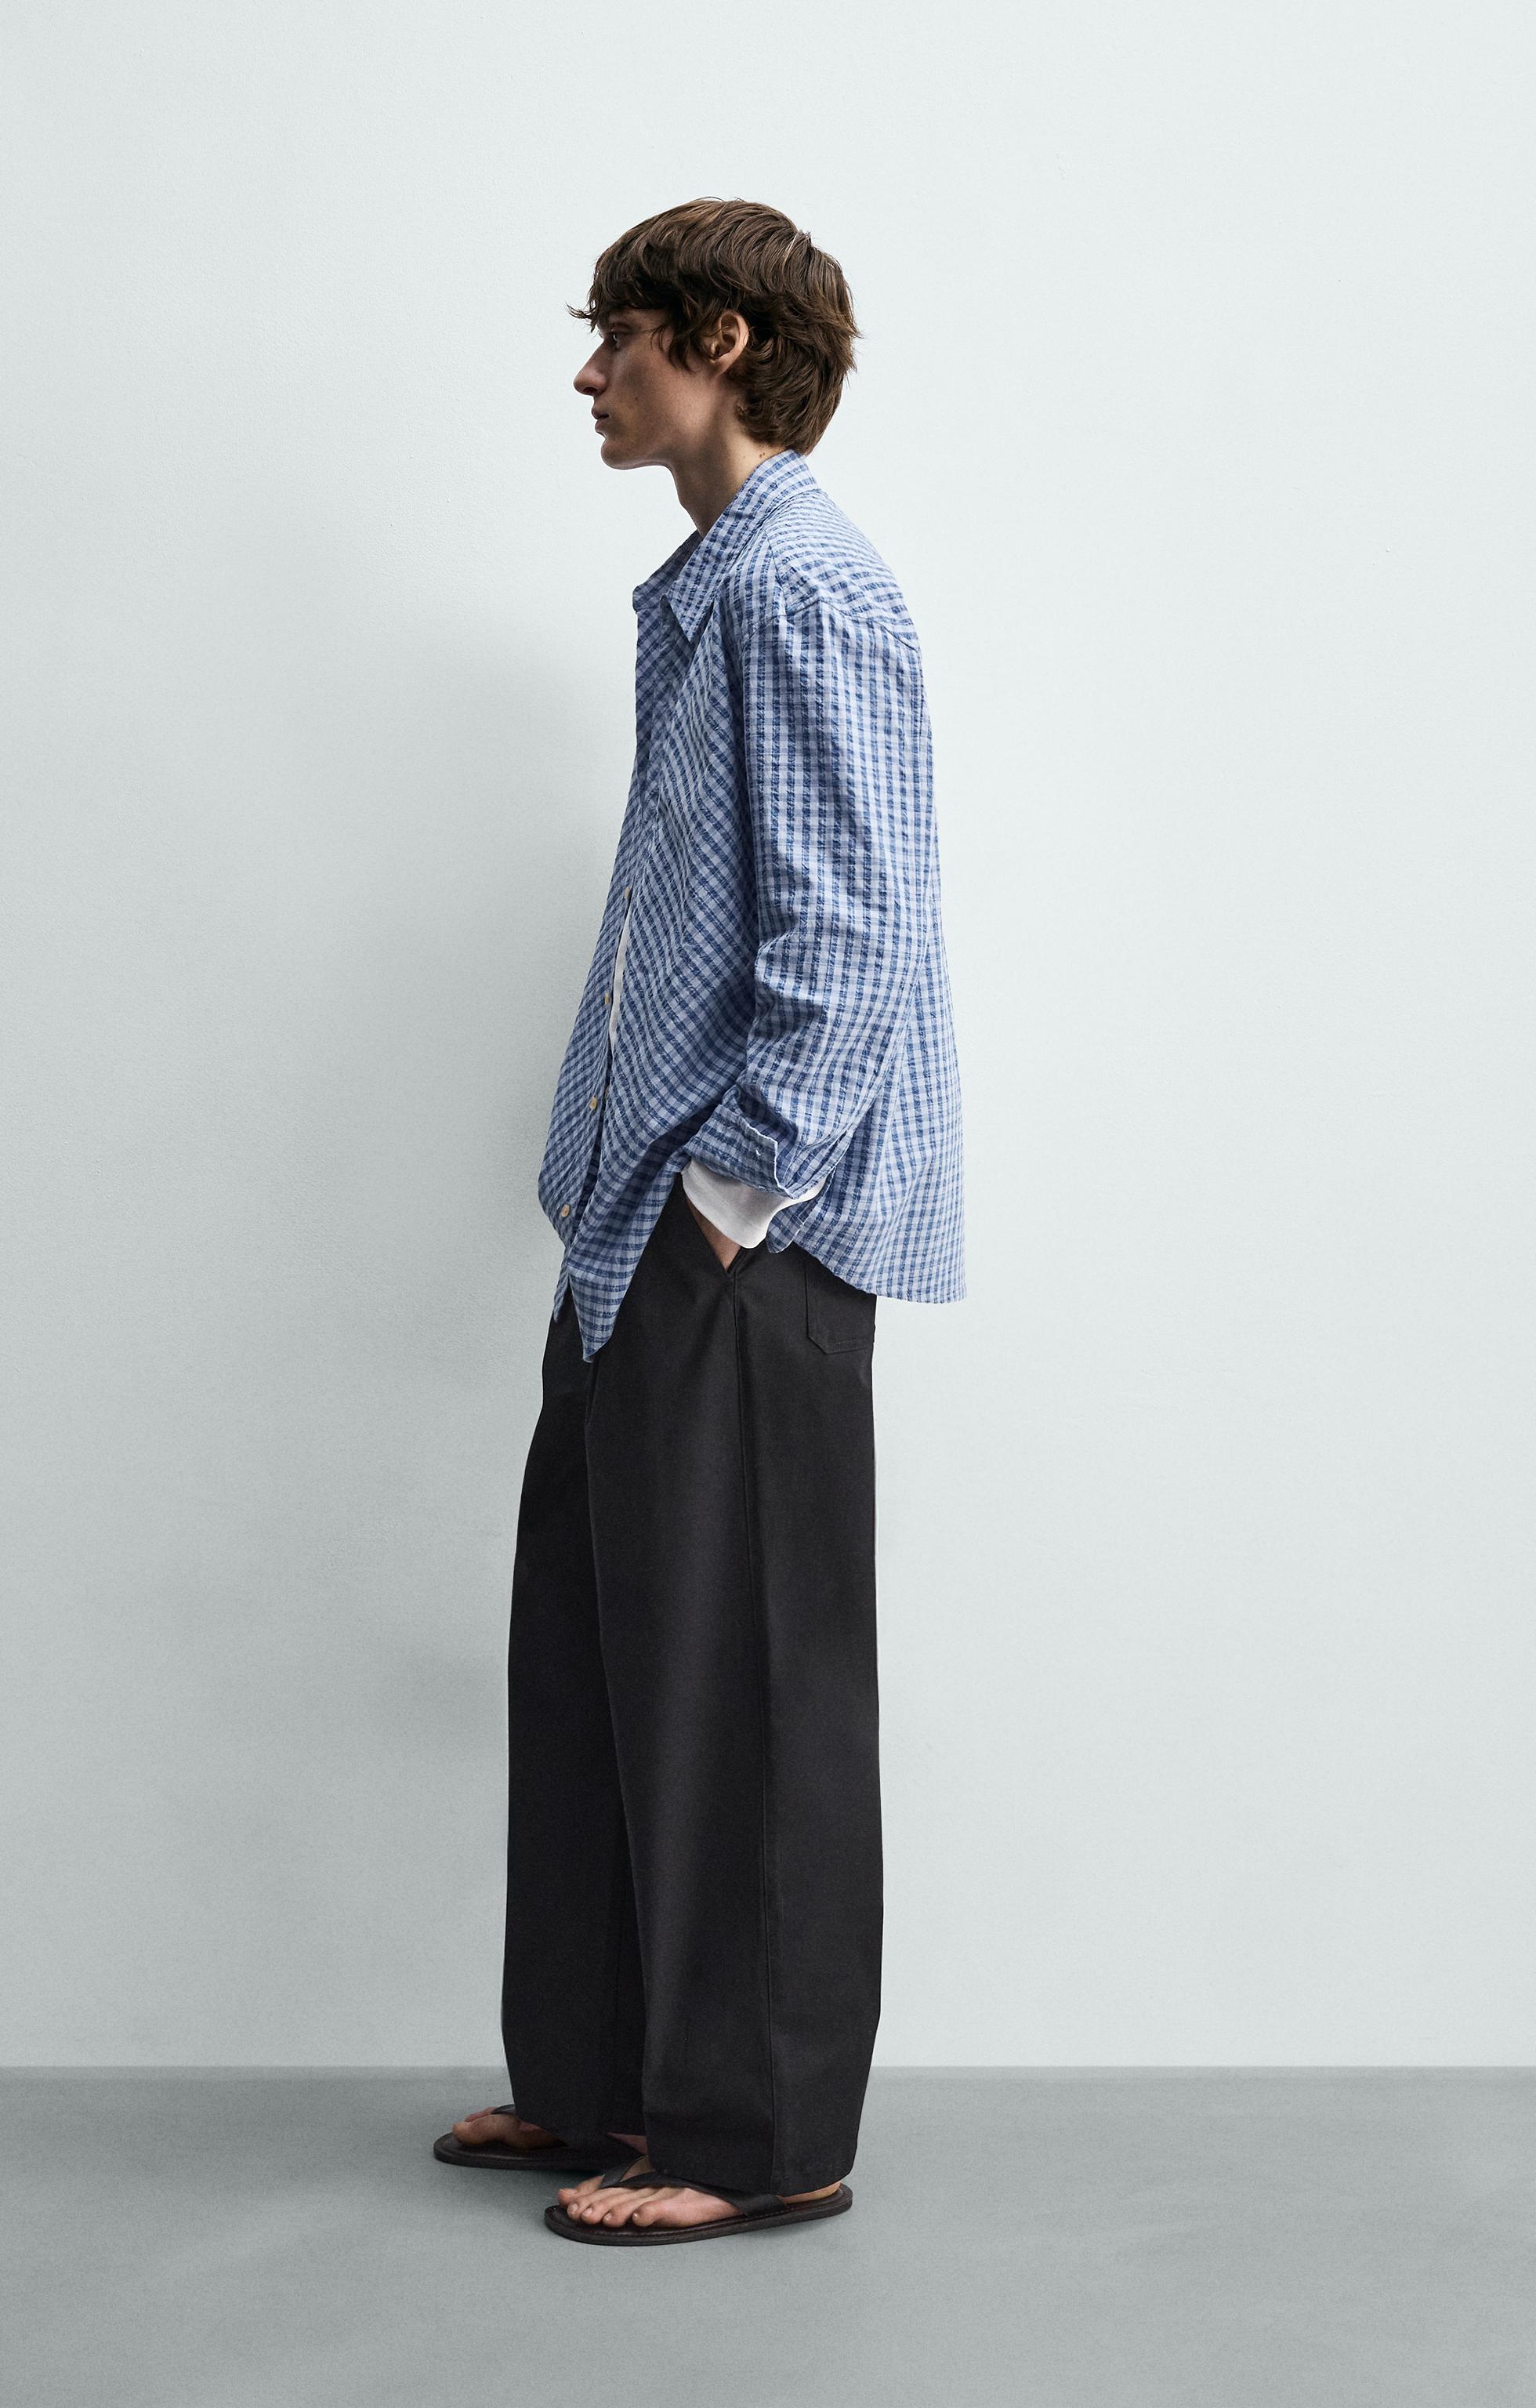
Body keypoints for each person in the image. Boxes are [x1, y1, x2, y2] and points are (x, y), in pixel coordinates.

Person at [434, 197, 964, 2245]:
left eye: (622, 338)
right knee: (599, 1658)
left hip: (745, 1229)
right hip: (639, 1225)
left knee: (741, 1683)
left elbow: (854, 928)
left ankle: (757, 2137)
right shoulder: (721, 583)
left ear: (721, 343)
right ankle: (604, 2082)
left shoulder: (805, 586)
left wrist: (733, 1196)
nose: (591, 375)